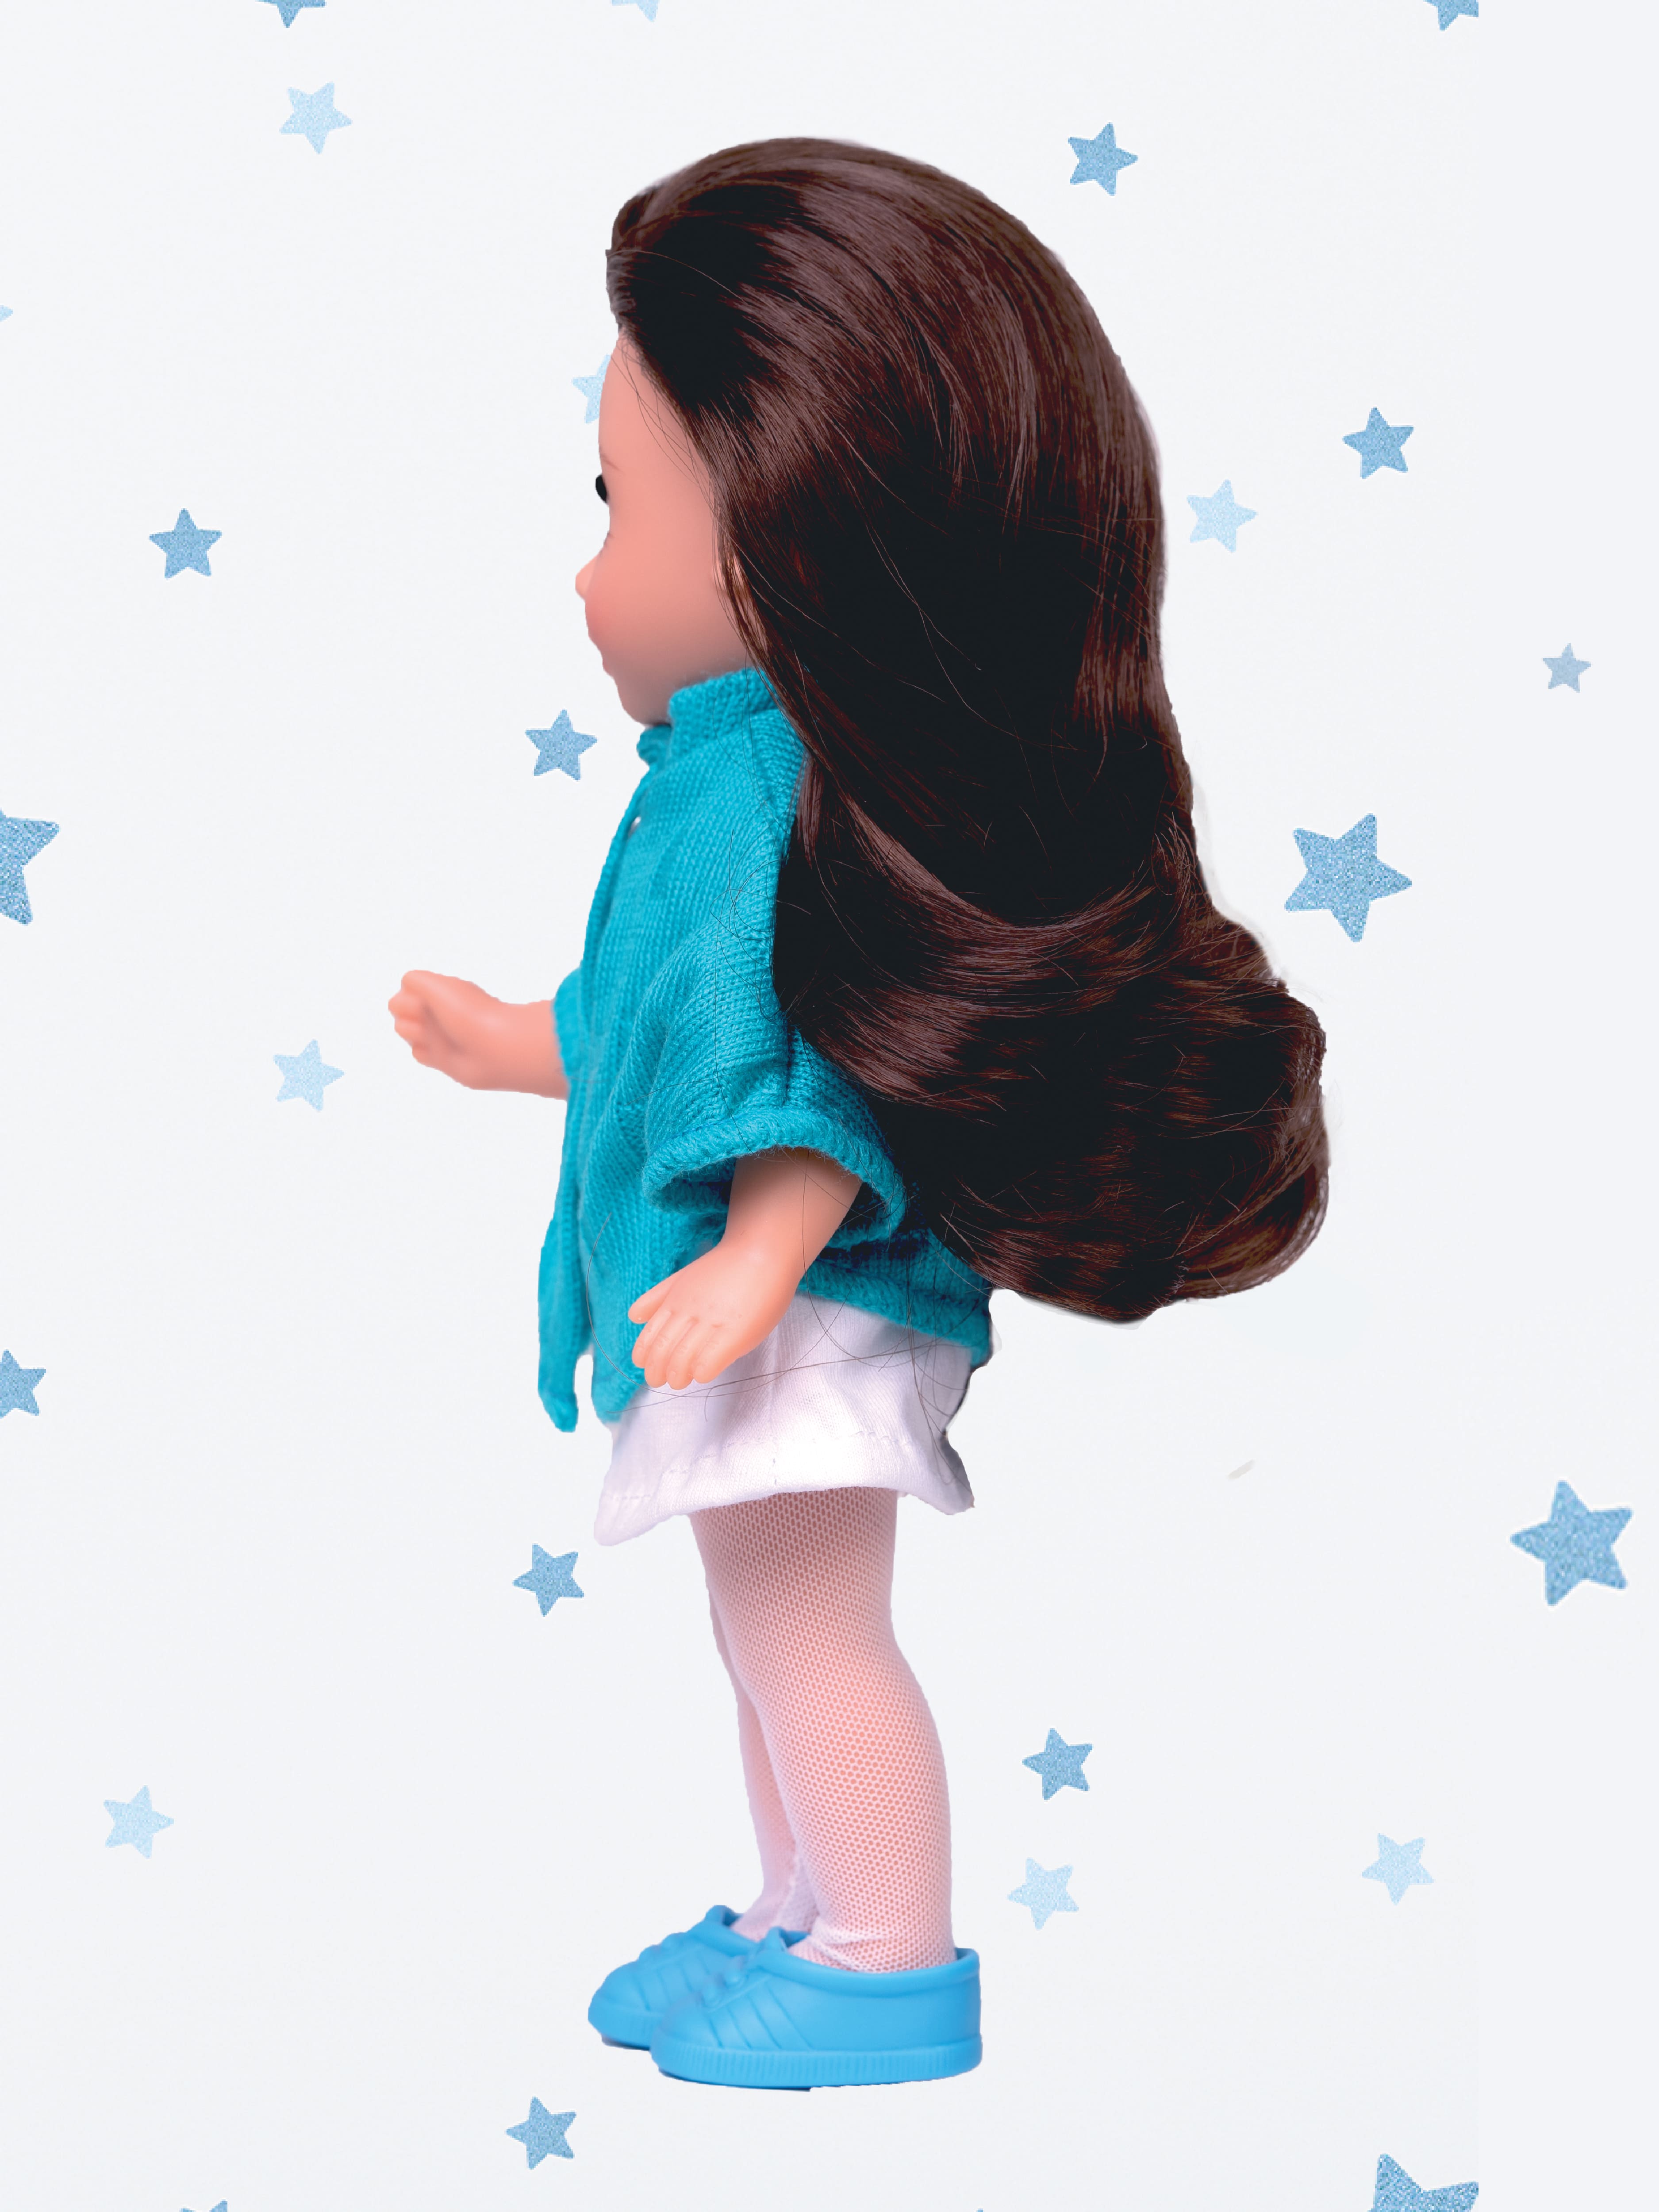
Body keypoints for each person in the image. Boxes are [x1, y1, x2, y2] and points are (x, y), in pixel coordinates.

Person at [389, 138, 1329, 2091]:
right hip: (763, 1301)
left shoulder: (768, 797)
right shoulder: (718, 780)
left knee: (809, 1632)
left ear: (780, 532)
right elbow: (668, 1030)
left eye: (617, 503)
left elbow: (810, 1054)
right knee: (764, 1626)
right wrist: (514, 1042)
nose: (586, 572)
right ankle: (794, 1914)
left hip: (799, 1308)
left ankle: (885, 1960)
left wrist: (759, 1253)